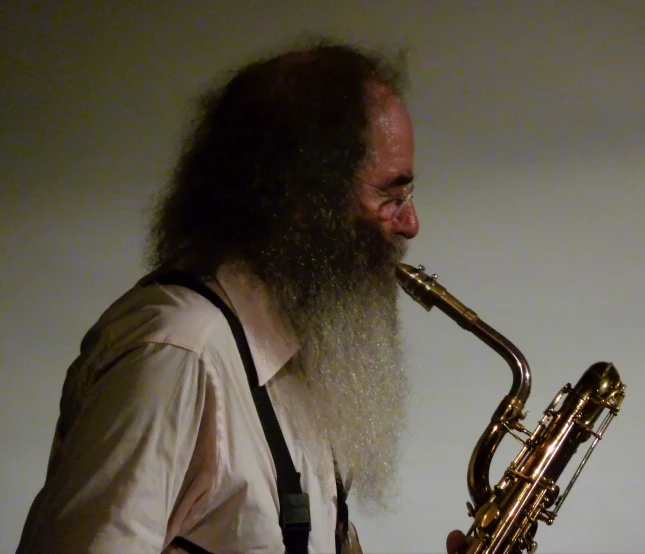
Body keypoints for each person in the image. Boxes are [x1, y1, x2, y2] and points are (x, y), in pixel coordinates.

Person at [16, 40, 422, 553]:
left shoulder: (298, 356)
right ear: (301, 197)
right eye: (391, 195)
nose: (410, 224)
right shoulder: (178, 351)